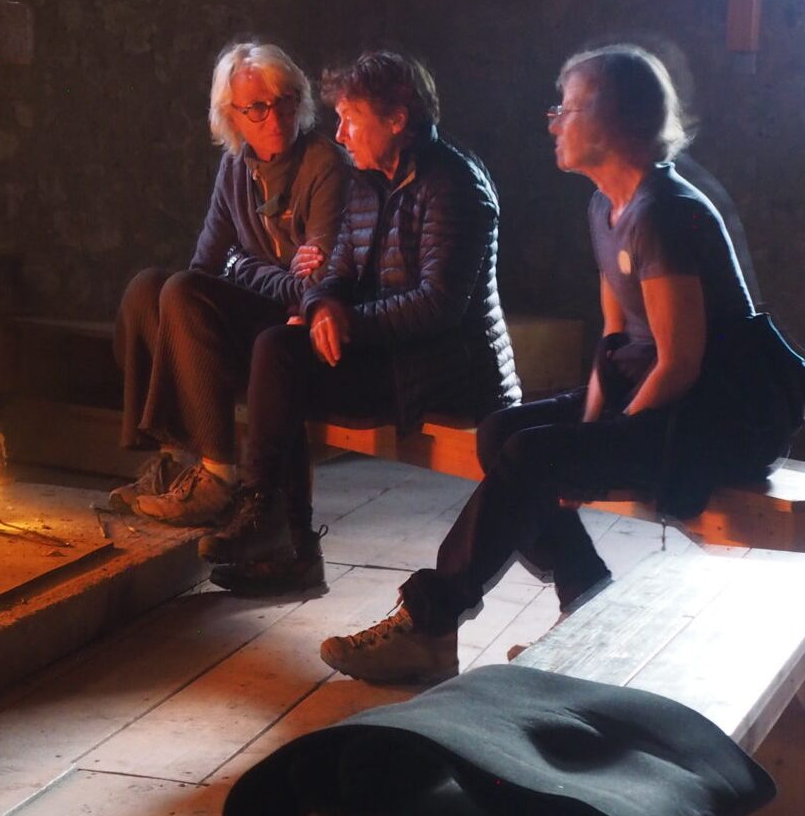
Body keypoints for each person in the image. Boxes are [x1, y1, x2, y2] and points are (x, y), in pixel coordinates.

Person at [318, 45, 766, 683]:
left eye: (568, 107)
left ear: (613, 120)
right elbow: (616, 341)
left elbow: (680, 363)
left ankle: (431, 620)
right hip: (656, 400)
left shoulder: (663, 212)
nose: (552, 120)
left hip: (710, 421)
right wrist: (589, 428)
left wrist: (599, 444)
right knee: (502, 431)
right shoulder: (606, 206)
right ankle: (588, 601)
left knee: (533, 456)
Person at [197, 50, 521, 594]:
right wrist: (320, 306)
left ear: (396, 119)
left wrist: (347, 322)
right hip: (392, 355)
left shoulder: (454, 186)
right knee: (279, 348)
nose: (340, 134)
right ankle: (273, 523)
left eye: (351, 118)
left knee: (285, 365)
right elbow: (337, 270)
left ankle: (282, 535)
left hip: (449, 371)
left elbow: (437, 305)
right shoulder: (367, 180)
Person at [111, 41, 353, 535]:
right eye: (257, 107)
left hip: (292, 328)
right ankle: (174, 459)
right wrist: (249, 268)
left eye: (285, 100)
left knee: (183, 291)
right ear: (232, 116)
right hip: (261, 309)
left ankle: (218, 476)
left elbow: (312, 285)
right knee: (147, 288)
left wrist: (241, 265)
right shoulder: (235, 168)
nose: (275, 117)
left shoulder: (324, 163)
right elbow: (206, 264)